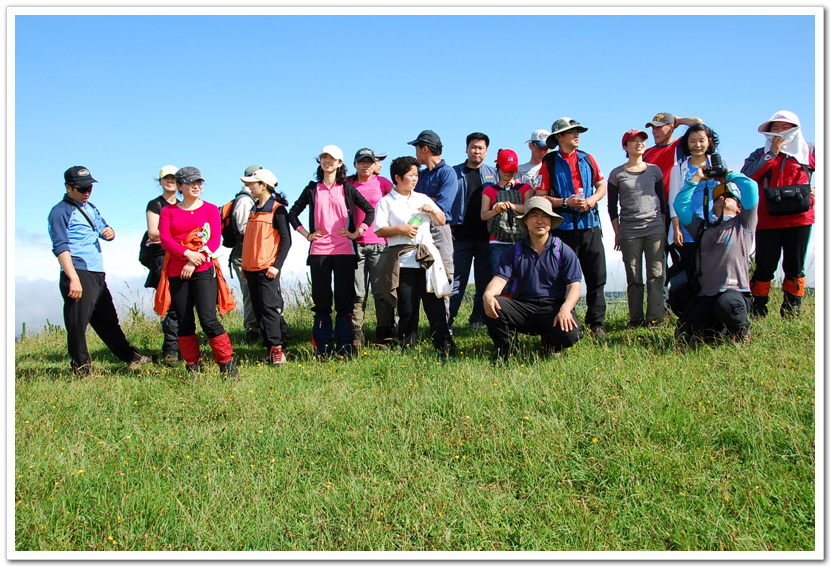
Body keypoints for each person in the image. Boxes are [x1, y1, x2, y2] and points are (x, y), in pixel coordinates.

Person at [48, 166, 153, 375]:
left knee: (108, 320)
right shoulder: (59, 212)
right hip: (78, 271)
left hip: (96, 272)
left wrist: (109, 233)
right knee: (78, 324)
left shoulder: (90, 207)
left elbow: (104, 229)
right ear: (68, 187)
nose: (87, 192)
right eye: (81, 189)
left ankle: (132, 357)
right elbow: (60, 247)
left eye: (89, 188)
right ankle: (81, 369)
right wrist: (73, 278)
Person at [287, 145, 375, 360]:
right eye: (324, 157)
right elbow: (293, 213)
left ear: (339, 163)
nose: (327, 161)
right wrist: (307, 234)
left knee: (344, 301)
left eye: (332, 158)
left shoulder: (346, 188)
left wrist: (357, 232)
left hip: (345, 250)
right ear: (321, 162)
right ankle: (322, 349)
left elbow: (370, 211)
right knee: (322, 301)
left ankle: (344, 347)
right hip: (319, 251)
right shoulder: (312, 189)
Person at [156, 167, 238, 378]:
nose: (196, 186)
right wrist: (186, 254)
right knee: (184, 321)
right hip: (177, 272)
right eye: (191, 183)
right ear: (180, 186)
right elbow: (165, 238)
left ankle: (227, 365)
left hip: (203, 269)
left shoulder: (210, 209)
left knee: (208, 318)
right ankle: (192, 366)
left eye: (199, 182)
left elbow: (215, 239)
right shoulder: (168, 211)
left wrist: (194, 260)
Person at [482, 196, 582, 364]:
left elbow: (574, 286)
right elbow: (499, 280)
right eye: (534, 216)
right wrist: (488, 294)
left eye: (545, 216)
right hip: (523, 308)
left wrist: (565, 309)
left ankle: (551, 344)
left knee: (571, 333)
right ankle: (508, 351)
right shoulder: (514, 252)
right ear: (526, 220)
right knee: (493, 303)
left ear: (551, 221)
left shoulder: (563, 250)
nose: (540, 221)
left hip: (553, 308)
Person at [375, 156, 456, 360]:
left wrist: (432, 211)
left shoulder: (422, 198)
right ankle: (407, 348)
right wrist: (400, 229)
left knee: (435, 305)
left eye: (416, 175)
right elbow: (379, 230)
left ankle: (444, 347)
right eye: (411, 175)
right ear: (397, 177)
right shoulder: (386, 202)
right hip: (403, 261)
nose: (415, 179)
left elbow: (442, 220)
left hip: (427, 259)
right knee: (407, 308)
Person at [537, 117, 608, 339]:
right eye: (572, 132)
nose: (577, 135)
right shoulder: (549, 162)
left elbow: (601, 184)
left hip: (591, 226)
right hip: (563, 229)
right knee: (566, 278)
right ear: (559, 137)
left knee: (597, 277)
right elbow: (540, 197)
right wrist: (565, 202)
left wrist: (593, 199)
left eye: (578, 131)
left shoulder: (587, 158)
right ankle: (570, 322)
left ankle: (597, 324)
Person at [741, 110, 816, 318]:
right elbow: (747, 177)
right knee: (764, 265)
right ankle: (758, 308)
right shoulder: (759, 153)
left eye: (785, 127)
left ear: (796, 128)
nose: (780, 132)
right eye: (775, 128)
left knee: (794, 265)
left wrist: (815, 193)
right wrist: (771, 154)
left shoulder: (810, 151)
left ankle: (792, 309)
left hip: (800, 218)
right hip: (767, 219)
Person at [674, 165, 759, 344]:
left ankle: (741, 330)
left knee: (728, 305)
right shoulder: (703, 227)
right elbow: (680, 205)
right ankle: (719, 328)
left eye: (728, 196)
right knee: (685, 334)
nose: (721, 197)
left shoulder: (744, 224)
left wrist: (727, 176)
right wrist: (695, 179)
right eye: (717, 197)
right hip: (707, 295)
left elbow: (751, 187)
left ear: (739, 208)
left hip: (734, 292)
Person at [607, 130, 667, 327]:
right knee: (634, 277)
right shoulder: (617, 174)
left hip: (655, 227)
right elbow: (611, 207)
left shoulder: (655, 171)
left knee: (656, 275)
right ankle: (635, 320)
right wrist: (617, 233)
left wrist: (664, 228)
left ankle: (655, 320)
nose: (639, 143)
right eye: (634, 141)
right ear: (625, 146)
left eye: (642, 140)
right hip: (629, 231)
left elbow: (663, 203)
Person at [240, 168, 292, 365]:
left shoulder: (277, 209)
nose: (249, 187)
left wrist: (276, 266)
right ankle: (269, 348)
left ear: (264, 185)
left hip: (267, 269)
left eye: (253, 183)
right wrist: (245, 265)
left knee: (270, 309)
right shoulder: (254, 209)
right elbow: (249, 240)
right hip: (251, 269)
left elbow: (286, 241)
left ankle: (278, 348)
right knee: (259, 310)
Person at [408, 130, 459, 324]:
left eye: (417, 148)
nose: (416, 154)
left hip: (440, 230)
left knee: (443, 276)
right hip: (419, 227)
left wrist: (423, 203)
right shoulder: (420, 175)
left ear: (425, 149)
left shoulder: (447, 173)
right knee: (415, 275)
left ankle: (444, 328)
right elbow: (410, 201)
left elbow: (443, 208)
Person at [347, 148, 396, 349]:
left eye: (369, 162)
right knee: (357, 293)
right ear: (355, 164)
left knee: (381, 292)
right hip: (354, 244)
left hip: (379, 244)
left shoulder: (383, 183)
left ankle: (384, 334)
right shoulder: (348, 184)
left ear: (374, 163)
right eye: (361, 162)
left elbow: (396, 203)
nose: (365, 166)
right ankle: (355, 335)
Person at [450, 132, 498, 330]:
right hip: (460, 236)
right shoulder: (454, 172)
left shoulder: (493, 173)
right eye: (473, 147)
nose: (476, 151)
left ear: (486, 151)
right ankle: (448, 321)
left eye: (481, 148)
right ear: (466, 149)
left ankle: (478, 319)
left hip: (486, 236)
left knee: (484, 281)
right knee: (456, 282)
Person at [667, 124, 724, 271]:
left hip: (714, 226)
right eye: (693, 141)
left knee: (711, 272)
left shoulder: (718, 164)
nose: (697, 145)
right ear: (687, 143)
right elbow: (674, 200)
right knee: (689, 272)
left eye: (701, 140)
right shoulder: (679, 169)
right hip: (687, 230)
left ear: (709, 141)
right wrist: (676, 228)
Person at [141, 165, 181, 364]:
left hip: (181, 256)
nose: (170, 181)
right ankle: (171, 348)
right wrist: (180, 233)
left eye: (174, 178)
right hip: (162, 257)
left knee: (183, 303)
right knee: (171, 304)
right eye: (166, 178)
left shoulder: (182, 204)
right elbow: (153, 233)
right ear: (160, 182)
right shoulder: (155, 204)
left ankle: (183, 346)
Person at [480, 149, 533, 268]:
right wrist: (495, 211)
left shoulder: (525, 188)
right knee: (501, 279)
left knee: (523, 279)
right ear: (498, 167)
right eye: (505, 169)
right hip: (497, 242)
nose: (508, 173)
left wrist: (511, 205)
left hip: (522, 240)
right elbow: (483, 215)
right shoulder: (489, 190)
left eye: (512, 170)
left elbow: (529, 209)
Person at [229, 165, 260, 344]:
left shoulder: (249, 199)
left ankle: (258, 327)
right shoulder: (244, 201)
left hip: (252, 255)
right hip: (244, 256)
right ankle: (251, 329)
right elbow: (243, 229)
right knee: (250, 294)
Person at [643, 112, 703, 201]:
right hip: (654, 208)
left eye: (658, 127)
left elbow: (698, 123)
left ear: (671, 127)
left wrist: (678, 120)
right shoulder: (646, 153)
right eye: (653, 128)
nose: (654, 131)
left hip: (677, 205)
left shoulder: (680, 145)